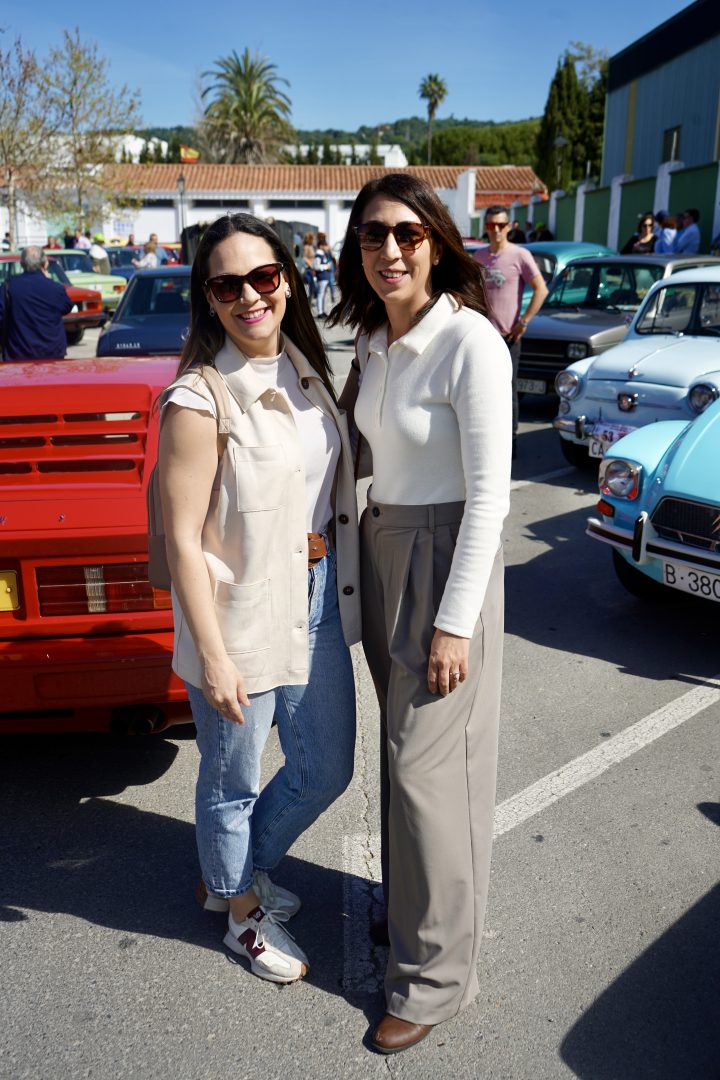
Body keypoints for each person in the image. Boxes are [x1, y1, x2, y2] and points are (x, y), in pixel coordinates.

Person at [330, 173, 511, 1054]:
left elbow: (492, 498)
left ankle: (439, 978)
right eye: (373, 235)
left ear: (436, 242)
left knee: (433, 775)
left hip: (445, 558)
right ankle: (412, 915)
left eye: (407, 233)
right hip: (385, 545)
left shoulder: (470, 341)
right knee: (400, 753)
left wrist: (454, 622)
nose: (390, 250)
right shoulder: (374, 340)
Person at [157, 213, 360, 984]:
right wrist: (212, 656)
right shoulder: (197, 399)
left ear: (288, 281)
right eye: (227, 285)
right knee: (231, 779)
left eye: (263, 277)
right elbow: (183, 540)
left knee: (326, 766)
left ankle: (236, 870)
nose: (249, 296)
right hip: (238, 611)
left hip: (315, 595)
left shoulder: (307, 371)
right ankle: (240, 911)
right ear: (208, 298)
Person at [474, 205, 548, 455]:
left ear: (508, 227)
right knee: (480, 389)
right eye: (490, 225)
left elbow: (541, 289)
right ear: (485, 228)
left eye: (500, 225)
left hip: (509, 337)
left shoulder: (520, 255)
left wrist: (524, 321)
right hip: (483, 336)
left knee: (507, 390)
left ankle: (509, 441)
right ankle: (484, 439)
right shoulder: (480, 257)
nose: (495, 230)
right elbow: (471, 291)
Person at [0, 246, 72, 360]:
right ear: (45, 264)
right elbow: (67, 307)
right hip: (52, 353)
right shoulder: (55, 288)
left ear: (22, 264)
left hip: (18, 352)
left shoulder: (8, 287)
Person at [313, 231, 334, 317]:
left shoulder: (323, 253)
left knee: (323, 295)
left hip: (325, 277)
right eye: (325, 245)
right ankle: (320, 312)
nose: (326, 247)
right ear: (321, 246)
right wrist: (326, 266)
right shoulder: (318, 254)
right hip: (321, 277)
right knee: (320, 295)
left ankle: (322, 311)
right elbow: (316, 266)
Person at [301, 231, 317, 308]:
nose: (314, 240)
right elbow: (303, 258)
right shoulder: (306, 247)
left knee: (311, 288)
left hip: (310, 270)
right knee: (308, 289)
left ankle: (308, 304)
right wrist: (310, 265)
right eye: (313, 239)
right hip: (307, 270)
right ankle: (306, 305)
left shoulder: (310, 246)